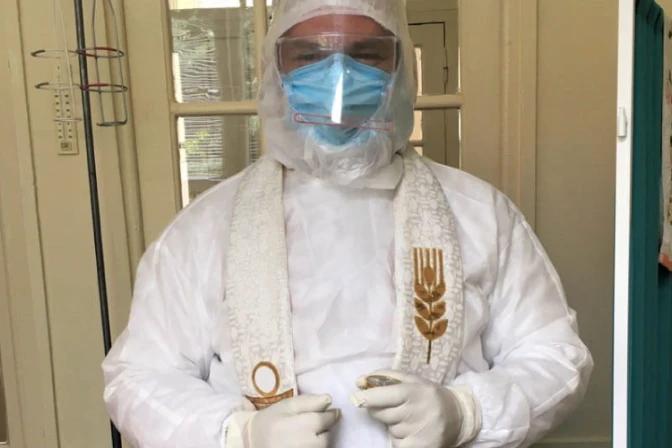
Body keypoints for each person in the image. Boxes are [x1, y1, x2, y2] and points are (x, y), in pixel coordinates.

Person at [102, 0, 593, 447]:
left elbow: (555, 356)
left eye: (366, 54)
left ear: (400, 68)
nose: (338, 74)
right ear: (275, 69)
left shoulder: (479, 212)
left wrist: (468, 412)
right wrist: (238, 434)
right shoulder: (205, 228)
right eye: (309, 56)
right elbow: (139, 377)